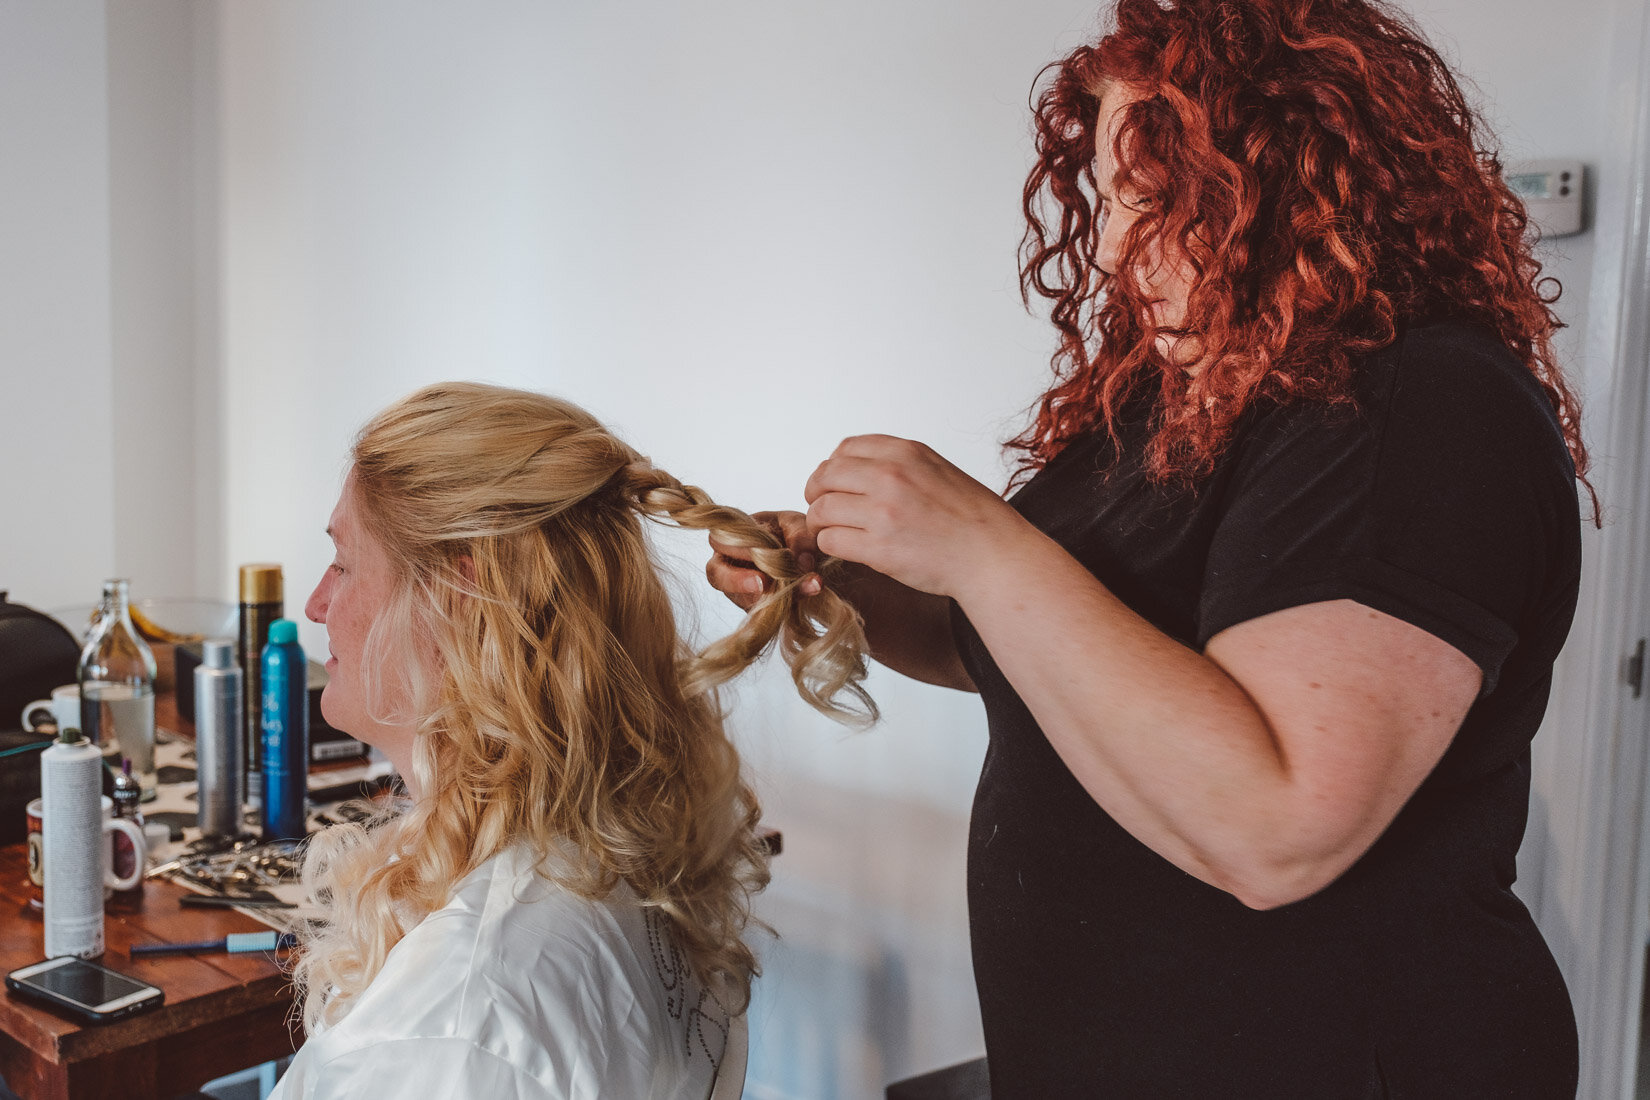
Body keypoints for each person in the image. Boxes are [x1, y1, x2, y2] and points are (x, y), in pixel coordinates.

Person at [707, 0, 1590, 1094]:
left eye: (1161, 202)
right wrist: (849, 582)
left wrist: (981, 541)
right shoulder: (1178, 400)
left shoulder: (1425, 407)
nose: (1117, 248)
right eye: (1112, 202)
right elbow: (1015, 642)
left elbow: (1277, 828)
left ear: (1297, 186)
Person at [268, 382, 872, 1100]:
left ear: (455, 602)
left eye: (343, 563)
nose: (315, 604)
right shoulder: (613, 844)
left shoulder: (456, 1031)